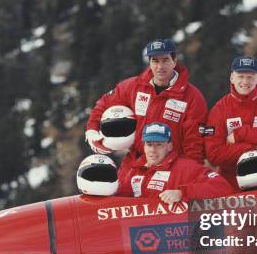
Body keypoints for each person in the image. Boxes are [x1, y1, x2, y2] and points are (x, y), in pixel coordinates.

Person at [85, 39, 208, 168]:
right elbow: (104, 104)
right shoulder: (133, 86)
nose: (160, 67)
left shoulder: (192, 98)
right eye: (155, 61)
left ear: (174, 61)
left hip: (171, 168)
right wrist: (92, 130)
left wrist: (187, 177)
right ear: (149, 62)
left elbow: (194, 145)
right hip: (135, 163)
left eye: (165, 60)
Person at [204, 56, 257, 190]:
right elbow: (213, 154)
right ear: (232, 77)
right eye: (240, 76)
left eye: (250, 77)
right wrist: (251, 148)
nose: (245, 81)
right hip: (229, 183)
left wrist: (239, 134)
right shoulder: (219, 109)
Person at [118, 123, 232, 204]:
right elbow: (119, 198)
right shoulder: (135, 170)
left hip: (172, 233)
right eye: (149, 144)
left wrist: (181, 193)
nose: (153, 150)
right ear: (144, 146)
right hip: (137, 233)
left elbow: (222, 187)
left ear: (169, 146)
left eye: (159, 145)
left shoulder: (186, 168)